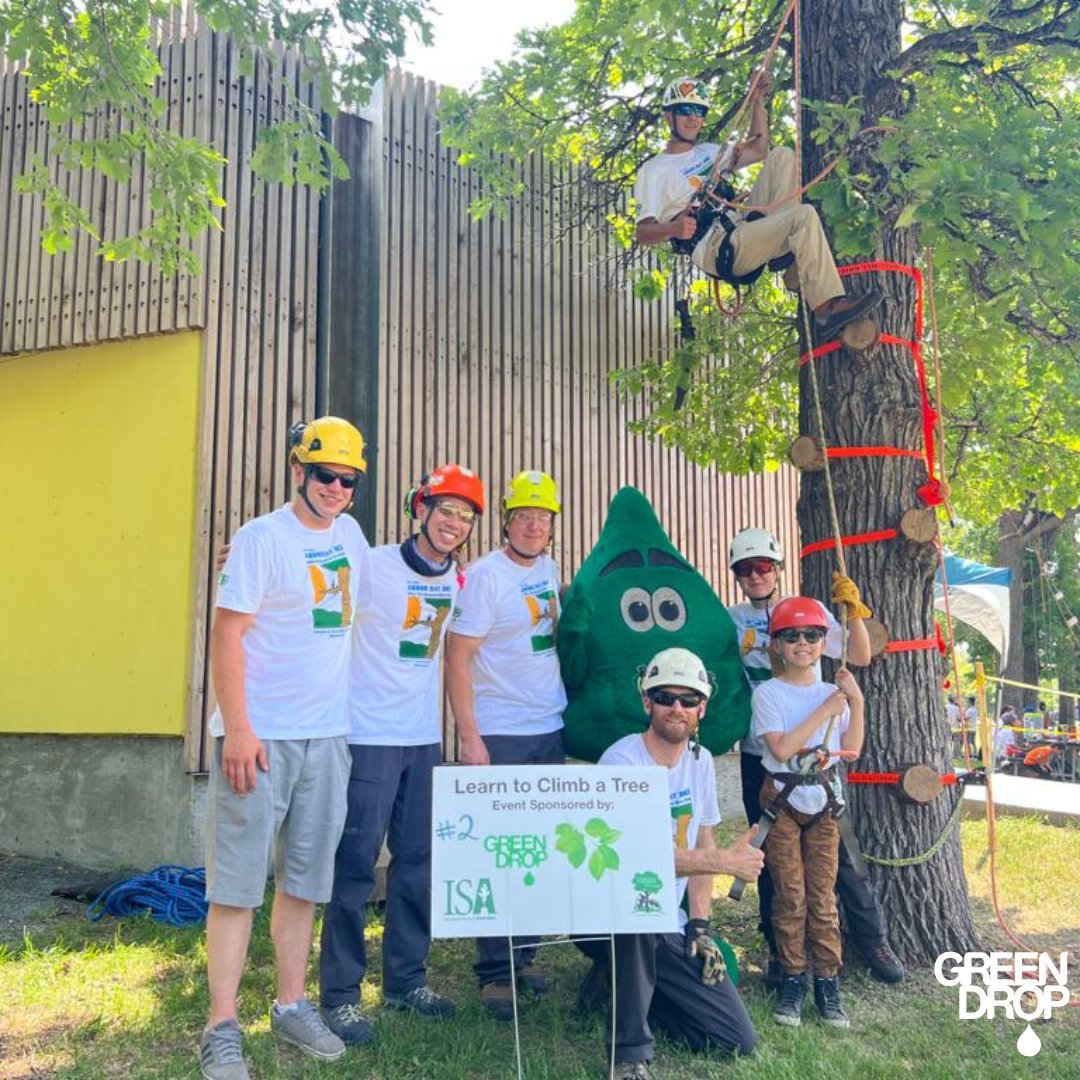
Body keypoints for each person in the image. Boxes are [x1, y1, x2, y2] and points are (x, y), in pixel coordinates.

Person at [199, 417, 369, 1080]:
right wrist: (237, 728)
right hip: (259, 736)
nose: (335, 488)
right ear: (299, 469)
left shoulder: (351, 537)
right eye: (324, 474)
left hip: (328, 735)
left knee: (304, 882)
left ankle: (292, 1005)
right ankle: (220, 1026)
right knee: (238, 887)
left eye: (347, 479)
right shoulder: (260, 538)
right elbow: (227, 636)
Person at [318, 464, 486, 1046]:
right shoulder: (372, 566)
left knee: (417, 862)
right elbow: (315, 582)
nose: (454, 523)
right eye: (446, 510)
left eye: (465, 516)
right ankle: (339, 997)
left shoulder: (457, 581)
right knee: (356, 866)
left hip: (422, 741)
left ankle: (405, 982)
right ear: (421, 508)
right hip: (367, 737)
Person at [724, 527, 904, 986]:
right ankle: (781, 952)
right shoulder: (730, 620)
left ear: (778, 569)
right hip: (762, 754)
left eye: (764, 566)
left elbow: (860, 654)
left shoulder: (809, 613)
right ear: (737, 577)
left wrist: (855, 612)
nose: (755, 575)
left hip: (817, 755)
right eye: (745, 569)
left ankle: (871, 937)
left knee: (838, 853)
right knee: (768, 855)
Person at [577, 647, 761, 1080]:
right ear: (647, 703)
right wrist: (722, 862)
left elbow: (703, 834)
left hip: (666, 920)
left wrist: (699, 926)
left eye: (687, 699)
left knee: (735, 1039)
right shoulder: (621, 762)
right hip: (609, 910)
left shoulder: (700, 763)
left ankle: (621, 988)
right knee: (639, 908)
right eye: (664, 697)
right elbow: (629, 863)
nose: (676, 708)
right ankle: (629, 1056)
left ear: (702, 708)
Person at [445, 469, 567, 1019]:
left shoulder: (549, 569)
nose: (534, 526)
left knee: (536, 851)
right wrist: (470, 736)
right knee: (499, 853)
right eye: (524, 516)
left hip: (549, 726)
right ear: (507, 522)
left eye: (542, 518)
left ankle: (524, 956)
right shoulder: (485, 578)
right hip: (500, 732)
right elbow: (458, 658)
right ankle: (495, 971)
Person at [633, 75, 882, 338]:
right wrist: (673, 228)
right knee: (804, 216)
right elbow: (642, 232)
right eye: (685, 110)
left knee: (781, 156)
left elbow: (759, 149)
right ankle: (827, 308)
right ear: (668, 116)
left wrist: (757, 101)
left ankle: (787, 256)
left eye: (699, 111)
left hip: (741, 225)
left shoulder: (709, 152)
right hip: (718, 247)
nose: (693, 118)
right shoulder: (654, 171)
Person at [751, 597, 866, 1029]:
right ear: (777, 644)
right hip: (782, 801)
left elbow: (850, 749)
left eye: (812, 635)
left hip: (822, 802)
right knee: (790, 894)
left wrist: (855, 701)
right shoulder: (769, 694)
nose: (803, 643)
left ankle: (828, 981)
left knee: (822, 896)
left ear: (824, 641)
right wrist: (824, 711)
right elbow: (780, 748)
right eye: (792, 636)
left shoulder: (832, 692)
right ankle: (793, 976)